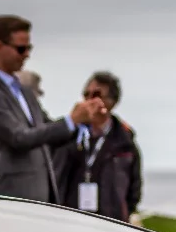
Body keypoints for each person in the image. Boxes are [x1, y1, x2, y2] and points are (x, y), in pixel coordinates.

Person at [0, 15, 103, 203]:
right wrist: (71, 120)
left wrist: (82, 121)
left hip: (41, 193)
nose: (26, 54)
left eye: (29, 48)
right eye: (21, 49)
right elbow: (18, 138)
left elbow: (47, 130)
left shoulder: (24, 91)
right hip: (15, 194)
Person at [51, 71, 142, 223]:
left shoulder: (124, 142)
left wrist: (123, 213)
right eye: (86, 95)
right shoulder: (69, 135)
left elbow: (134, 189)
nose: (90, 100)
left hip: (111, 223)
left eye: (97, 95)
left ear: (112, 101)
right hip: (71, 220)